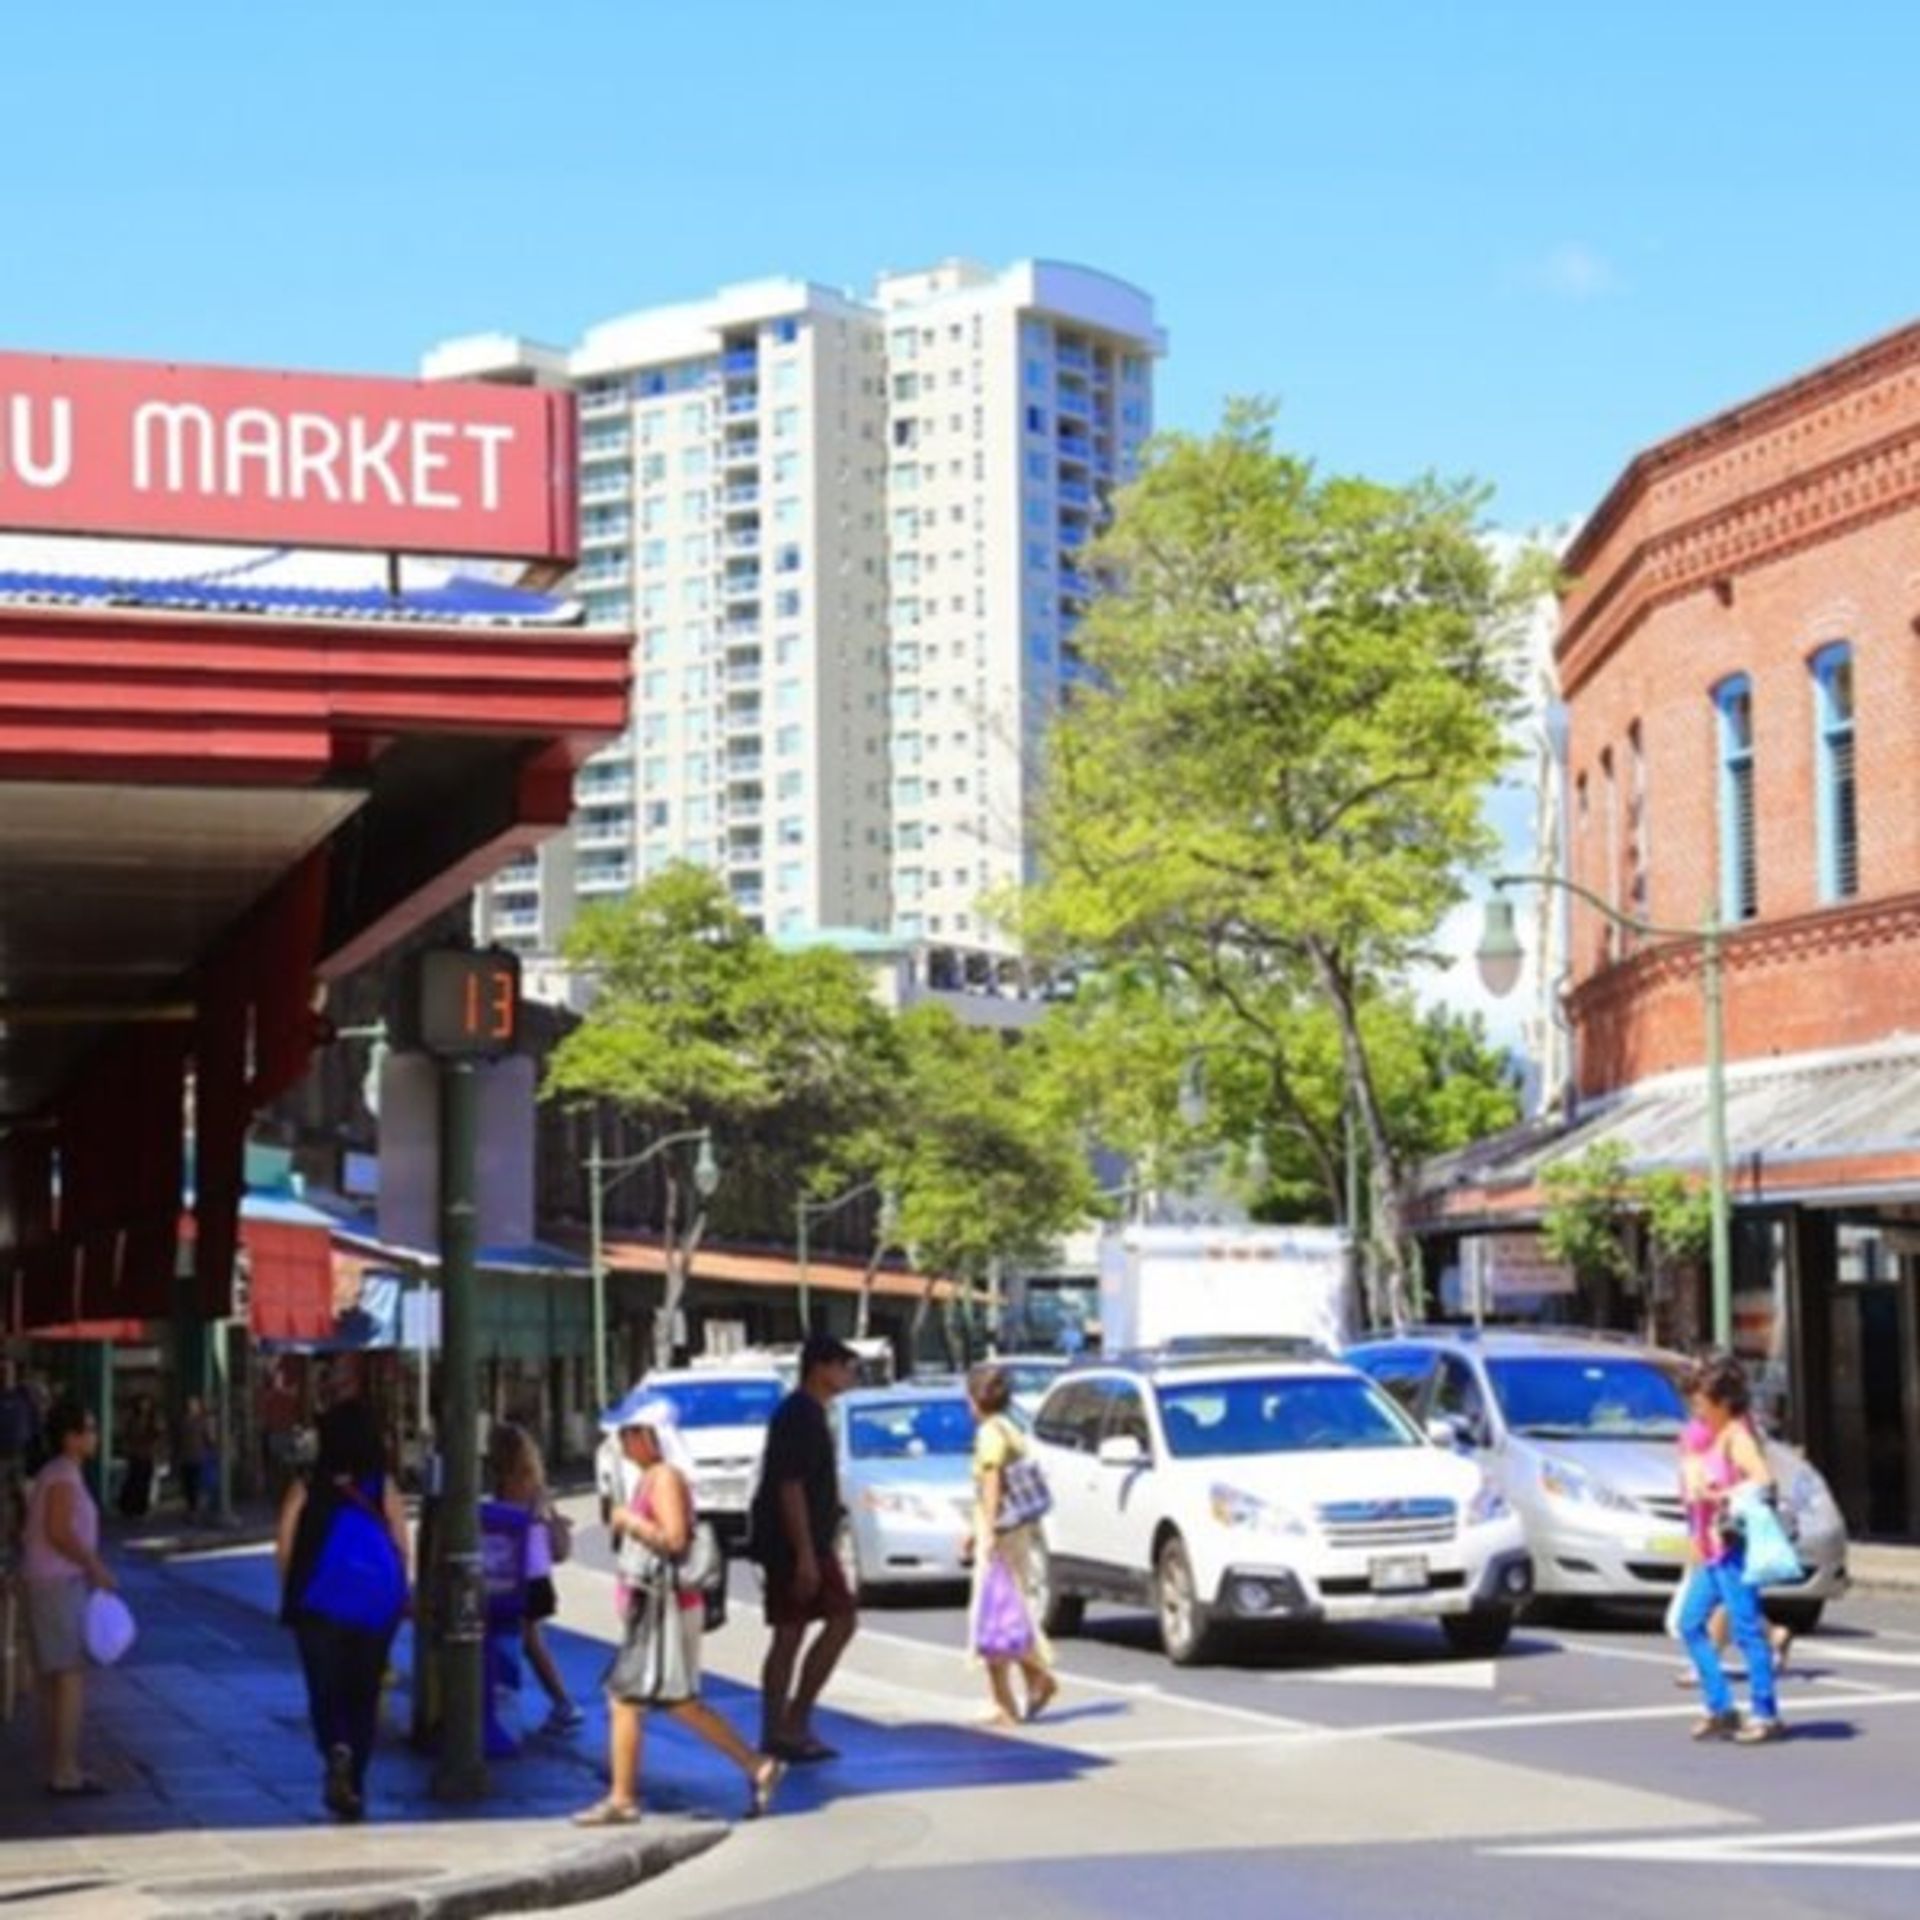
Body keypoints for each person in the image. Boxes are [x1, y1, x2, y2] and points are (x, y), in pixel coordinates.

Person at [576, 1400, 782, 1826]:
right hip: (656, 1606)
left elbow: (674, 1539)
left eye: (628, 1434)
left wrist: (628, 1521)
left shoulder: (664, 1479)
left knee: (628, 1697)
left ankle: (623, 1797)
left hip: (663, 1605)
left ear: (647, 1437)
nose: (622, 1443)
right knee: (675, 1700)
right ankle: (756, 1765)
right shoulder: (652, 1478)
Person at [276, 1397, 411, 1820]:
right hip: (374, 1607)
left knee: (325, 1690)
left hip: (319, 1604)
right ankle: (355, 1782)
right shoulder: (381, 1485)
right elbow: (401, 1546)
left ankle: (335, 1746)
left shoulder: (307, 1485)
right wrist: (396, 1597)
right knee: (364, 1692)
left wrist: (291, 1592)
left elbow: (285, 1545)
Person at [750, 1333, 860, 1762]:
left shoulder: (813, 1413)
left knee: (806, 1629)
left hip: (811, 1540)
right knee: (816, 1626)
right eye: (843, 1366)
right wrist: (805, 1556)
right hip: (795, 1544)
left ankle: (786, 1724)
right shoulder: (799, 1415)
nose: (848, 1374)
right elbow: (789, 1487)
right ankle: (786, 1725)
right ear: (820, 1368)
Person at [1676, 1355, 1786, 1743]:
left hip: (1733, 1548)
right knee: (1689, 1623)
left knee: (1746, 1630)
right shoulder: (1715, 1435)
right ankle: (1721, 1704)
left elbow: (1764, 1483)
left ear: (1722, 1401)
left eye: (1701, 1399)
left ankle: (1764, 1712)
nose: (1696, 1407)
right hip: (1712, 1549)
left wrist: (1716, 1494)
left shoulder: (1737, 1437)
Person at [22, 1400, 113, 1794]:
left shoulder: (62, 1474)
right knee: (68, 1675)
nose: (95, 1435)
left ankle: (59, 1763)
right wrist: (93, 1565)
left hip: (51, 1581)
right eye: (89, 1428)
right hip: (58, 1582)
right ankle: (64, 1768)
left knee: (55, 1677)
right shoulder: (62, 1476)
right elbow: (58, 1530)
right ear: (70, 1437)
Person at [965, 1364, 1058, 1727]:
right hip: (1012, 1530)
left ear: (974, 1399)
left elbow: (992, 1483)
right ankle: (1007, 1695)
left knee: (997, 1614)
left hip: (1002, 1534)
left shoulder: (990, 1433)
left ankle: (1029, 1684)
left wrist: (986, 1533)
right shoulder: (1008, 1427)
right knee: (1003, 1612)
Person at [488, 1421, 583, 1735]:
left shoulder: (512, 1486)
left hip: (519, 1574)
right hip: (537, 1572)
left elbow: (509, 1522)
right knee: (527, 1640)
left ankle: (562, 1702)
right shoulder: (535, 1484)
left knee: (525, 1641)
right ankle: (557, 1702)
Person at [117, 1395, 161, 1519]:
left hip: (147, 1453)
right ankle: (129, 1507)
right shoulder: (132, 1419)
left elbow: (158, 1434)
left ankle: (142, 1508)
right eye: (142, 1403)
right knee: (134, 1480)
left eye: (147, 1403)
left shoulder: (153, 1419)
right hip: (135, 1453)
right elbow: (127, 1435)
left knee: (145, 1481)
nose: (144, 1406)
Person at [175, 1396, 216, 1520]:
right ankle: (191, 1508)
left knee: (196, 1483)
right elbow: (177, 1439)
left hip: (198, 1456)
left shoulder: (201, 1421)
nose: (193, 1407)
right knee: (188, 1484)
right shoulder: (182, 1421)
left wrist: (211, 1446)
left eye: (195, 1405)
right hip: (185, 1456)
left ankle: (195, 1509)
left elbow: (208, 1438)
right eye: (191, 1405)